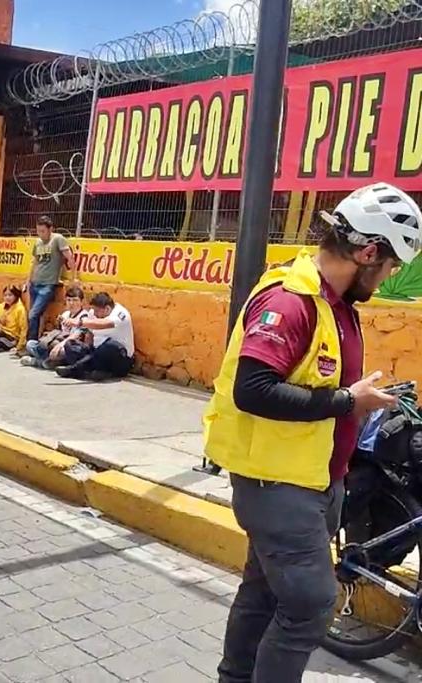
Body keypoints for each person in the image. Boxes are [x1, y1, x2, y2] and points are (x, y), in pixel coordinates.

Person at [204, 183, 421, 683]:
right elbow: (253, 389)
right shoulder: (291, 302)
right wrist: (347, 401)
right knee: (311, 605)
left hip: (315, 480)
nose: (388, 276)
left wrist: (356, 404)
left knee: (264, 593)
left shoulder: (334, 303)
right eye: (390, 265)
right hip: (277, 485)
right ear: (369, 252)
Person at [56, 292, 135, 380]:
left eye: (97, 311)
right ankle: (93, 371)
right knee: (71, 345)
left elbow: (104, 324)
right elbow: (90, 333)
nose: (94, 313)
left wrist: (79, 322)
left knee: (110, 346)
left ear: (107, 309)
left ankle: (75, 369)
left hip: (118, 359)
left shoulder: (121, 314)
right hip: (96, 353)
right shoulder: (92, 313)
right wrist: (86, 348)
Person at [26, 216, 73, 342]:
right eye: (38, 231)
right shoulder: (37, 242)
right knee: (35, 315)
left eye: (43, 231)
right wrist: (28, 280)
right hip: (35, 283)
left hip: (47, 285)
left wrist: (74, 278)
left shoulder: (58, 239)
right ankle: (34, 342)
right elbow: (34, 262)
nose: (40, 234)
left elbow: (69, 257)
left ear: (50, 229)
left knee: (33, 314)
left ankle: (30, 342)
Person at [22, 286, 92, 369]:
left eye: (75, 300)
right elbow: (59, 331)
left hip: (70, 346)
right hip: (57, 342)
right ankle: (49, 361)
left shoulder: (84, 316)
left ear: (81, 302)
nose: (71, 303)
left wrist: (59, 345)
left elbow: (77, 335)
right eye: (69, 300)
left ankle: (39, 361)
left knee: (62, 351)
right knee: (30, 344)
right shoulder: (65, 314)